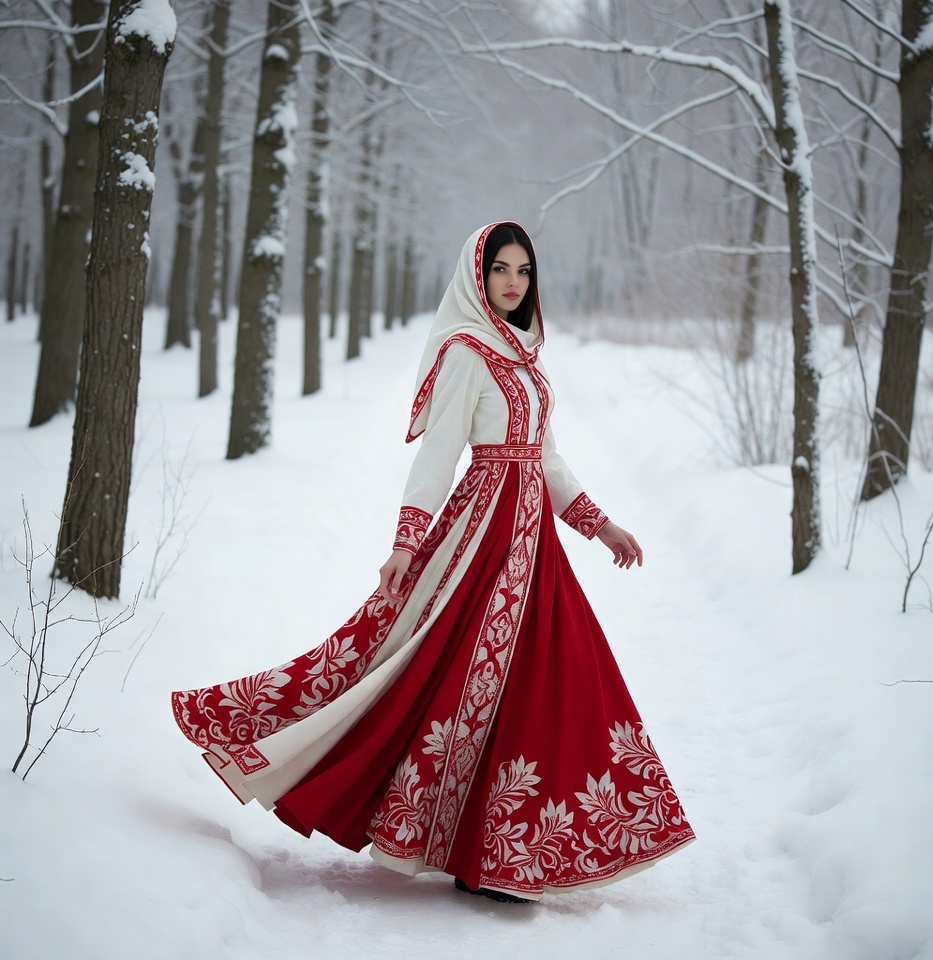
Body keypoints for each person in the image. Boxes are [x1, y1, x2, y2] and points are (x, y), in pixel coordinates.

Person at [172, 221, 694, 904]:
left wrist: (601, 526)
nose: (514, 283)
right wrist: (405, 545)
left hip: (535, 542)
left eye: (524, 272)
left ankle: (502, 849)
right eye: (501, 270)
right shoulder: (466, 353)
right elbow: (437, 456)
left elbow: (548, 459)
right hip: (481, 537)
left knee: (548, 676)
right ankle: (453, 840)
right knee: (438, 669)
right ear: (476, 277)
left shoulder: (530, 360)